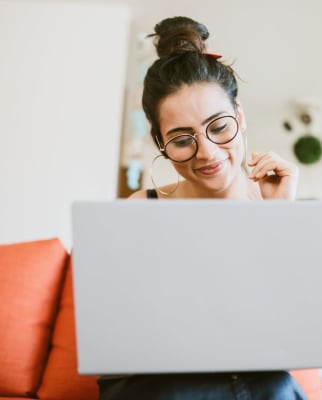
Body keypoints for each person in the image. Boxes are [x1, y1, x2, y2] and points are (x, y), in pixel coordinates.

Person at [98, 16, 305, 400]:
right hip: (160, 380)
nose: (207, 152)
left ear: (239, 118)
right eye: (181, 139)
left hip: (254, 379)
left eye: (219, 126)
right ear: (161, 144)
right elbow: (120, 335)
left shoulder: (275, 204)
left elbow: (286, 337)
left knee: (275, 384)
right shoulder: (143, 208)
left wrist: (277, 220)